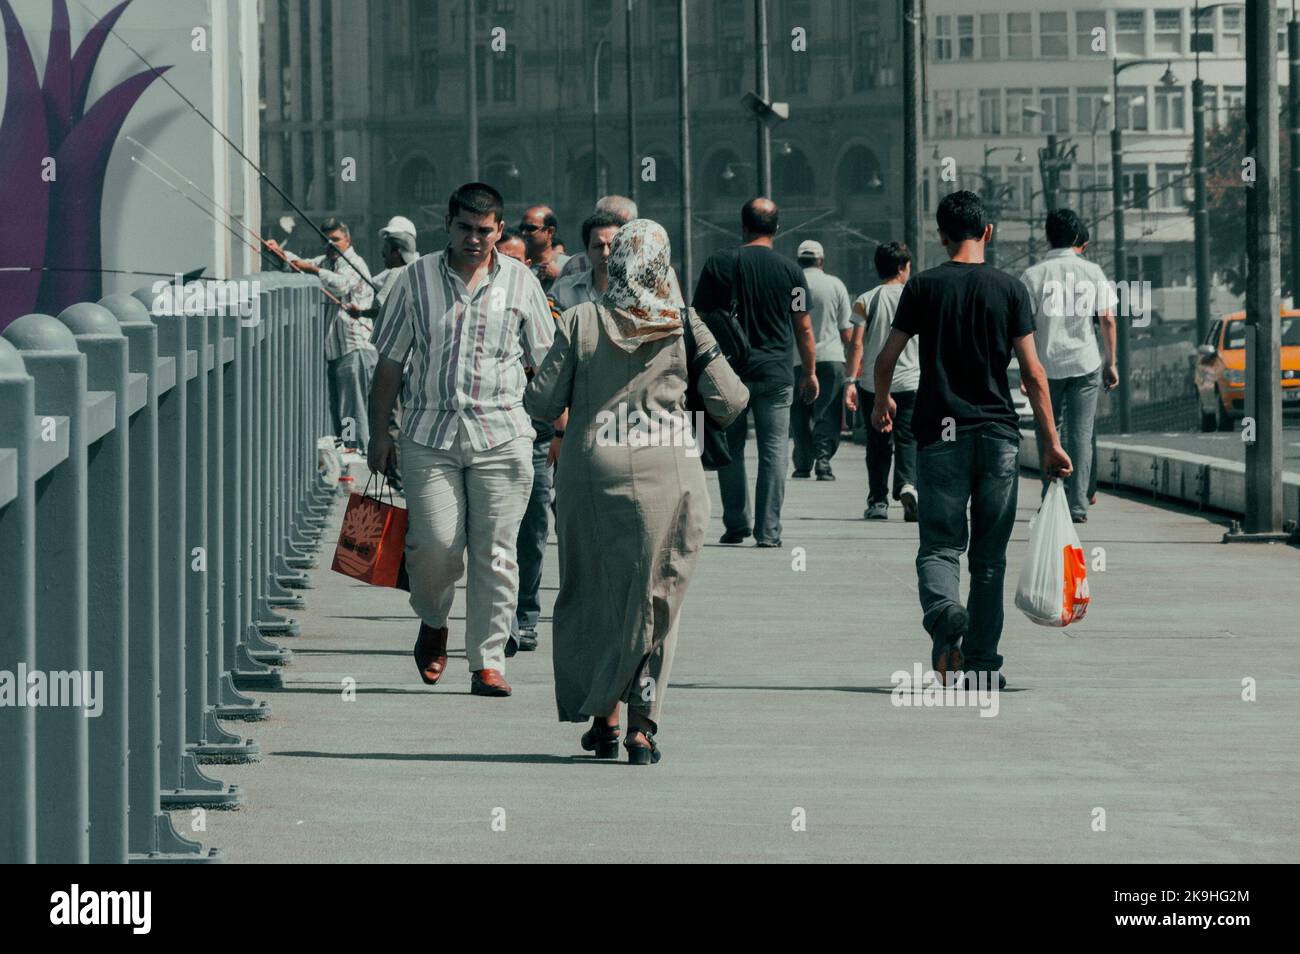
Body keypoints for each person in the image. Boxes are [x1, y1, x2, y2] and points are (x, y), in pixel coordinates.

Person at [524, 219, 749, 764]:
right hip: (671, 476)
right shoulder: (684, 323)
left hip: (591, 474)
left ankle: (604, 720)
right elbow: (730, 401)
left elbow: (541, 404)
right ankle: (643, 730)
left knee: (597, 595)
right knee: (657, 600)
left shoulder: (580, 320)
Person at [871, 191, 1071, 690]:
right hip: (999, 435)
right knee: (989, 557)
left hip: (940, 434)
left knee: (940, 545)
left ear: (941, 235)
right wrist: (1049, 443)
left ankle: (944, 616)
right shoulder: (1008, 289)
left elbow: (887, 357)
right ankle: (982, 666)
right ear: (987, 232)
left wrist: (881, 402)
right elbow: (1034, 374)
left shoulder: (923, 287)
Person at [367, 183, 556, 698]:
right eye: (465, 229)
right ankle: (433, 621)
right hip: (429, 435)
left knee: (497, 554)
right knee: (435, 549)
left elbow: (547, 361)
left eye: (485, 230)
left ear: (500, 229)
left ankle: (488, 660)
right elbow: (388, 363)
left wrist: (558, 427)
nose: (474, 239)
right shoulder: (414, 280)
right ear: (447, 225)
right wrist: (378, 433)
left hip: (504, 434)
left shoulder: (521, 283)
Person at [507, 211, 622, 656]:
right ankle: (526, 614)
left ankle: (598, 609)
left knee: (593, 526)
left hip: (614, 427)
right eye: (598, 245)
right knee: (535, 523)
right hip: (556, 424)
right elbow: (550, 362)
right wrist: (557, 426)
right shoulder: (563, 294)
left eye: (614, 245)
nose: (606, 254)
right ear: (586, 249)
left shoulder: (643, 298)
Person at [692, 198, 817, 548]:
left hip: (728, 375)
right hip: (776, 374)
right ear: (777, 229)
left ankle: (735, 524)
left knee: (731, 448)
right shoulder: (792, 272)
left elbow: (698, 319)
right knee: (774, 451)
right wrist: (809, 372)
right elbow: (803, 328)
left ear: (742, 226)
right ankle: (769, 531)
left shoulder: (719, 263)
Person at [1019, 212, 1117, 522]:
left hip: (1045, 367)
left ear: (1047, 236)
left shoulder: (1032, 276)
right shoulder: (1092, 271)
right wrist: (1110, 363)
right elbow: (1108, 320)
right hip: (1084, 363)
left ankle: (1050, 501)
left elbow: (1024, 329)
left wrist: (1027, 369)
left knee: (1050, 433)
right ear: (1077, 238)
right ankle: (1077, 507)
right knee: (1081, 434)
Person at [266, 217, 375, 454]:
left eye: (335, 240)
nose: (331, 244)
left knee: (353, 411)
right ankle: (349, 454)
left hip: (354, 349)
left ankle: (357, 456)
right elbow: (297, 265)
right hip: (336, 352)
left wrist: (312, 270)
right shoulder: (325, 262)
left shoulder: (355, 263)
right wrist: (279, 254)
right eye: (326, 240)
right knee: (341, 409)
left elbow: (341, 285)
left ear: (348, 240)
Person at [845, 241, 919, 521]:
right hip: (911, 381)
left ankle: (878, 502)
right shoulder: (916, 296)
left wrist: (850, 380)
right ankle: (908, 485)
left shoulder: (866, 299)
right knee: (908, 438)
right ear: (902, 268)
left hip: (873, 385)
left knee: (878, 443)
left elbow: (857, 345)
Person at [789, 239, 852, 481]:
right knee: (827, 412)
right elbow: (846, 330)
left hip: (798, 360)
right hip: (831, 359)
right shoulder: (835, 285)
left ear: (799, 260)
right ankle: (823, 462)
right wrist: (853, 357)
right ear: (821, 260)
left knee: (800, 413)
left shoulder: (795, 285)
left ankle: (803, 463)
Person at [559, 195, 685, 304]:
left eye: (626, 226)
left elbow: (679, 319)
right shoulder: (573, 271)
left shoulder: (660, 272)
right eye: (598, 246)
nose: (606, 253)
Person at [519, 205, 570, 291]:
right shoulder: (518, 264)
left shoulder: (569, 265)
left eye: (530, 228)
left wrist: (559, 277)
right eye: (521, 228)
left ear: (550, 231)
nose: (524, 233)